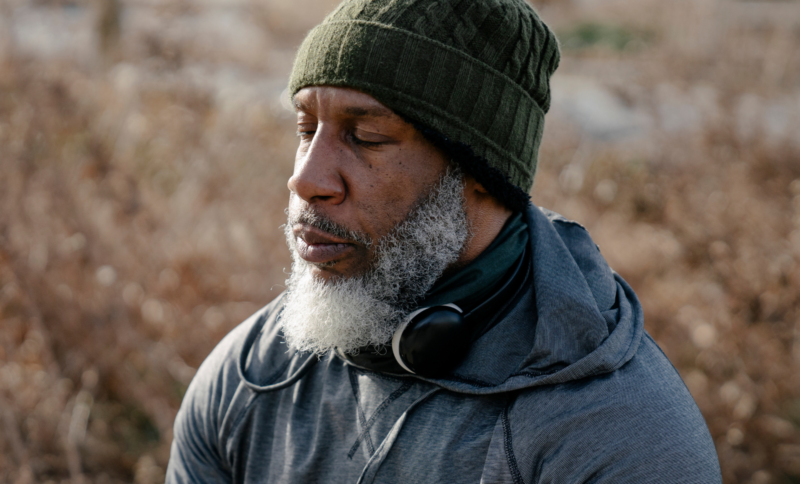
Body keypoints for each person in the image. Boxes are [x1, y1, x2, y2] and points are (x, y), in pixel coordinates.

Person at [167, 0, 722, 482]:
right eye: (306, 129)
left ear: (479, 171)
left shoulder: (619, 438)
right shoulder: (248, 377)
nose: (306, 180)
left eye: (366, 137)